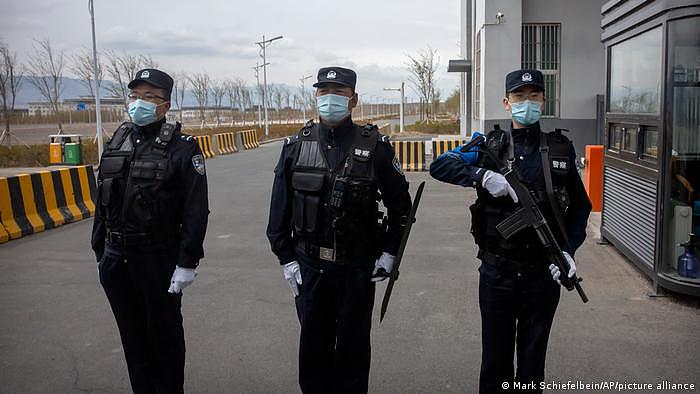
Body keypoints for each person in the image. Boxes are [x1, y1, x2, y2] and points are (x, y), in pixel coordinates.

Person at [430, 69, 592, 393]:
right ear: (507, 103)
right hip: (497, 274)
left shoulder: (560, 148)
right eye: (519, 97)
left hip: (542, 276)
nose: (526, 103)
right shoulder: (488, 145)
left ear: (544, 101)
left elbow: (580, 208)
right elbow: (440, 165)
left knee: (532, 367)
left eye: (533, 96)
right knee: (495, 364)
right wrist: (482, 177)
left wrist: (567, 252)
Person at [266, 66, 412, 393]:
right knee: (313, 355)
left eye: (339, 93)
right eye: (323, 92)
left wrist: (390, 252)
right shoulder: (294, 146)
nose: (330, 99)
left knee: (353, 353)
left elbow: (401, 208)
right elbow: (278, 213)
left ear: (353, 100)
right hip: (310, 268)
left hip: (356, 270)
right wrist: (286, 259)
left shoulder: (376, 146)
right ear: (315, 97)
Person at [91, 68, 209, 394]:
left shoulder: (182, 148)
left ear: (164, 105)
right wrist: (100, 251)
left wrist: (187, 262)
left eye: (148, 97)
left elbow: (195, 210)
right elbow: (103, 201)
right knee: (133, 340)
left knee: (165, 338)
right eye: (134, 96)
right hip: (116, 259)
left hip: (157, 259)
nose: (138, 103)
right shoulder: (117, 140)